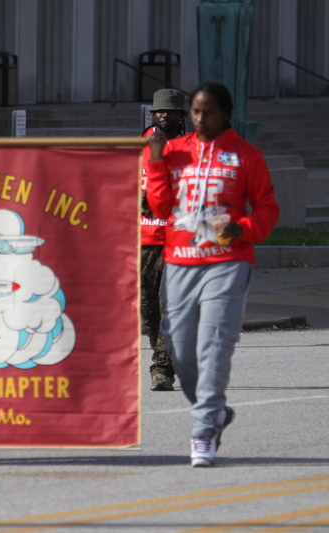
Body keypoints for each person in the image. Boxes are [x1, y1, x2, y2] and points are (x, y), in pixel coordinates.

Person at [146, 81, 279, 467]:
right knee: (180, 348)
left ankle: (204, 429)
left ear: (225, 115)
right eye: (196, 112)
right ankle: (216, 411)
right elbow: (161, 203)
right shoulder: (174, 151)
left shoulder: (246, 156)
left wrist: (245, 228)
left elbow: (268, 208)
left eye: (209, 113)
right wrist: (156, 162)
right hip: (181, 260)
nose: (200, 119)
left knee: (214, 343)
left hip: (228, 261)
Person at [141, 88, 188, 392]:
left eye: (171, 111)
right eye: (161, 111)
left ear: (181, 115)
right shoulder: (137, 146)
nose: (165, 115)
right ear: (153, 114)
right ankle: (172, 352)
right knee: (148, 313)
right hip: (143, 238)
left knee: (170, 307)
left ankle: (162, 370)